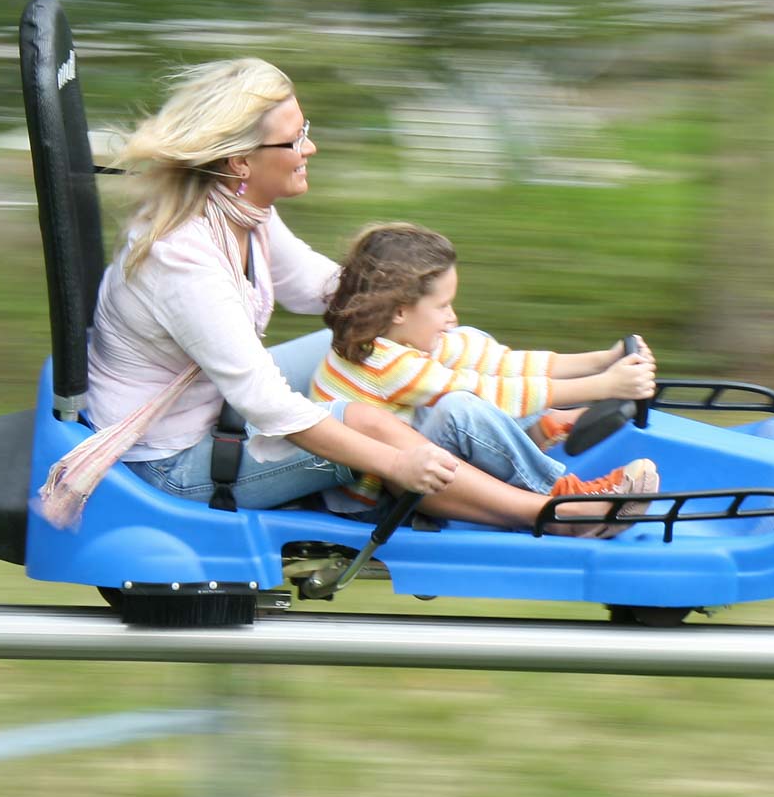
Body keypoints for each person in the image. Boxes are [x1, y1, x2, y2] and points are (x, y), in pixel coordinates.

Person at [83, 57, 648, 536]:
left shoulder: (241, 214)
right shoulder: (184, 260)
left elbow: (332, 292)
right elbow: (272, 408)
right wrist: (400, 460)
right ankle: (555, 511)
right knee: (370, 424)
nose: (311, 146)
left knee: (404, 341)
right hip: (170, 462)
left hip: (212, 405)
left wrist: (421, 311)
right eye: (296, 137)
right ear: (240, 162)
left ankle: (516, 420)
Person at [310, 222, 659, 513]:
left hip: (407, 462)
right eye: (443, 305)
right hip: (375, 499)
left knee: (469, 340)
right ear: (399, 311)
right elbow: (485, 395)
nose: (451, 315)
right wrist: (603, 387)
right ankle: (565, 496)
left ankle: (541, 425)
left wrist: (601, 361)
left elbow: (499, 363)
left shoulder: (393, 337)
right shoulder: (386, 363)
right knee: (460, 408)